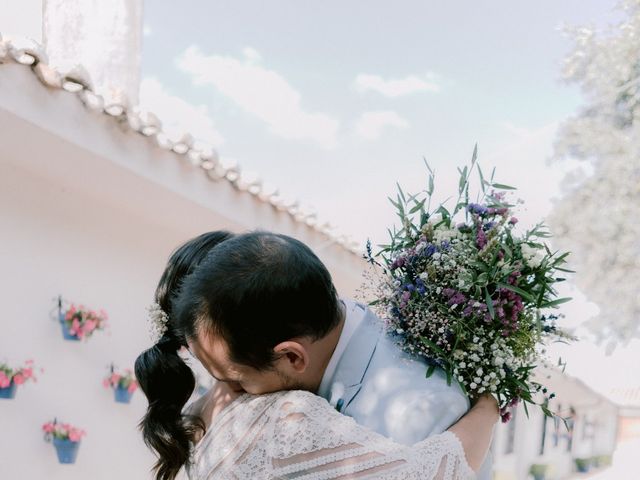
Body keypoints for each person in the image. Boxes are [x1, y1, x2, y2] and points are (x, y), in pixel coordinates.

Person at [135, 231, 497, 480]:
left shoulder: (420, 404)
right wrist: (491, 404)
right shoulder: (274, 411)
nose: (225, 392)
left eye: (234, 378)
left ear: (292, 356)